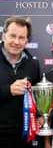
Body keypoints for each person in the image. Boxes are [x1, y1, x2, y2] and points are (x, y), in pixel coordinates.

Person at [0, 16, 41, 148]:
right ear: (4, 36)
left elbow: (37, 98)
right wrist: (9, 90)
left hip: (24, 137)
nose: (16, 42)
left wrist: (41, 116)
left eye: (21, 37)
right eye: (13, 36)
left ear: (26, 41)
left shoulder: (33, 64)